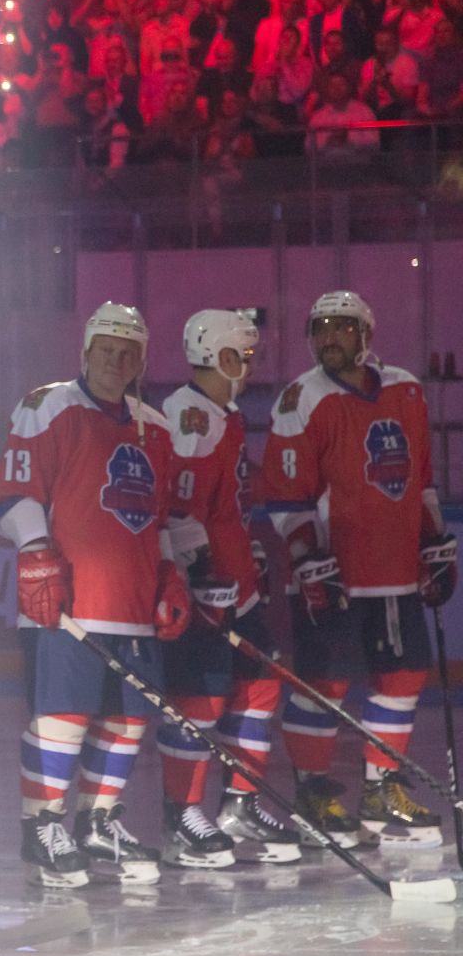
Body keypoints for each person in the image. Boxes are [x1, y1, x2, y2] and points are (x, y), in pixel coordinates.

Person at [0, 303, 189, 889]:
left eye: (128, 353)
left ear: (142, 361)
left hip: (132, 603)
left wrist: (171, 573)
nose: (115, 361)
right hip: (69, 602)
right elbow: (10, 493)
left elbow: (160, 519)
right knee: (63, 717)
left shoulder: (154, 425)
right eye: (106, 349)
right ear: (86, 351)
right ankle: (42, 827)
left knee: (128, 720)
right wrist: (35, 550)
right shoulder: (48, 405)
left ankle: (98, 821)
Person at [262, 290, 454, 849]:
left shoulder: (407, 389)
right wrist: (305, 557)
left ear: (366, 336)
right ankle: (313, 791)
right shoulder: (302, 397)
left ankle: (380, 788)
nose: (330, 338)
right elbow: (283, 494)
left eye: (342, 328)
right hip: (334, 573)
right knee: (326, 683)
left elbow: (421, 478)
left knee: (403, 676)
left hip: (394, 569)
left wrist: (433, 538)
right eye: (321, 328)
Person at [157, 310, 301, 867]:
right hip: (206, 584)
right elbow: (179, 508)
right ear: (216, 354)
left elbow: (228, 502)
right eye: (240, 354)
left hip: (236, 580)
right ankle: (181, 814)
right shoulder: (191, 416)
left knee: (260, 685)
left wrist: (248, 557)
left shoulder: (226, 412)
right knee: (201, 697)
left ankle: (240, 801)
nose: (249, 363)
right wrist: (196, 574)